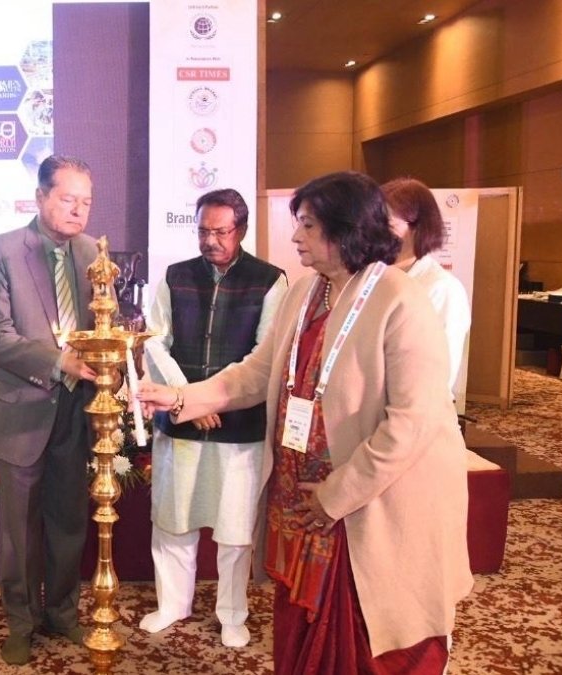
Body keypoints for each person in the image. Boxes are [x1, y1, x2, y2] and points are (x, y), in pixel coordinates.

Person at [139, 171, 473, 673]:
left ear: (346, 230)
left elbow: (413, 423)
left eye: (308, 225)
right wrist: (182, 397)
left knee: (372, 640)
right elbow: (257, 372)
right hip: (305, 500)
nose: (295, 236)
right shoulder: (306, 292)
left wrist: (338, 494)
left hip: (369, 504)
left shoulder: (400, 301)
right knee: (306, 632)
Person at [140, 188, 286, 647]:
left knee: (235, 527)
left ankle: (232, 613)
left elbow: (264, 356)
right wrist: (186, 400)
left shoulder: (269, 280)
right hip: (180, 423)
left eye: (220, 232)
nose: (210, 240)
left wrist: (211, 401)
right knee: (172, 517)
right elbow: (154, 342)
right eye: (203, 231)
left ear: (241, 230)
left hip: (238, 428)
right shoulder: (176, 276)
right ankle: (172, 604)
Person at [0, 155, 99, 665]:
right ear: (41, 197)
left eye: (86, 201)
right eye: (68, 199)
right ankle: (21, 623)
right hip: (20, 410)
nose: (78, 210)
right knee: (20, 530)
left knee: (69, 521)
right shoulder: (2, 250)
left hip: (76, 408)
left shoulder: (93, 253)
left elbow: (103, 324)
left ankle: (63, 613)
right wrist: (57, 361)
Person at [382, 177, 471, 397]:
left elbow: (441, 371)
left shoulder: (442, 288)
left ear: (417, 226)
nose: (375, 231)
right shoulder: (371, 277)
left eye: (387, 222)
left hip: (413, 406)